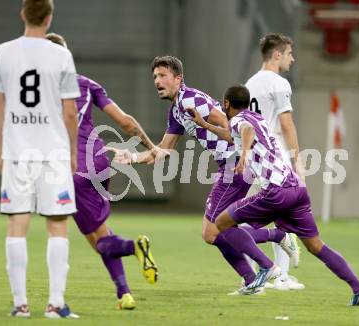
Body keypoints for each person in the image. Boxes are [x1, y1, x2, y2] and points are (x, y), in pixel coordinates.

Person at [0, 32, 163, 311]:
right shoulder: (88, 85)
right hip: (100, 163)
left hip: (68, 168)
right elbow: (126, 123)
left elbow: (8, 122)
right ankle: (123, 292)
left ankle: (133, 248)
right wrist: (151, 148)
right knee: (98, 234)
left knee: (89, 236)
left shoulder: (35, 90)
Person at [111, 55, 299, 295]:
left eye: (163, 76)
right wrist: (133, 158)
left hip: (235, 166)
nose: (157, 81)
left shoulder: (192, 100)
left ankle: (269, 254)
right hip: (229, 167)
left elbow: (232, 124)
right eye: (155, 77)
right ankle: (254, 276)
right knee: (216, 231)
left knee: (212, 231)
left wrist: (244, 157)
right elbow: (164, 150)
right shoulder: (177, 110)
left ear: (178, 79)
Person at [190, 84, 359, 305]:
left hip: (275, 192)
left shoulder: (240, 121)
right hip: (297, 189)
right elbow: (233, 134)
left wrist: (244, 156)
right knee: (316, 246)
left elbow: (244, 130)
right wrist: (203, 124)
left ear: (226, 104)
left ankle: (266, 267)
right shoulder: (259, 118)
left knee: (221, 222)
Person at [0, 0, 79, 318]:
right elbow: (69, 113)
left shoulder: (2, 52)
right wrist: (73, 154)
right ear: (49, 18)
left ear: (23, 13)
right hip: (53, 153)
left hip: (18, 153)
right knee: (57, 225)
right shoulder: (61, 55)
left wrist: (1, 151)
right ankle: (55, 304)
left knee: (17, 224)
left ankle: (21, 304)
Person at [244, 32, 305, 290]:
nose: (292, 59)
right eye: (290, 53)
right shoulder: (279, 83)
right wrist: (297, 159)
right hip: (274, 156)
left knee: (249, 215)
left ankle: (251, 273)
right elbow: (286, 123)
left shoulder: (248, 84)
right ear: (277, 54)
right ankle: (279, 276)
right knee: (285, 212)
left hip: (253, 158)